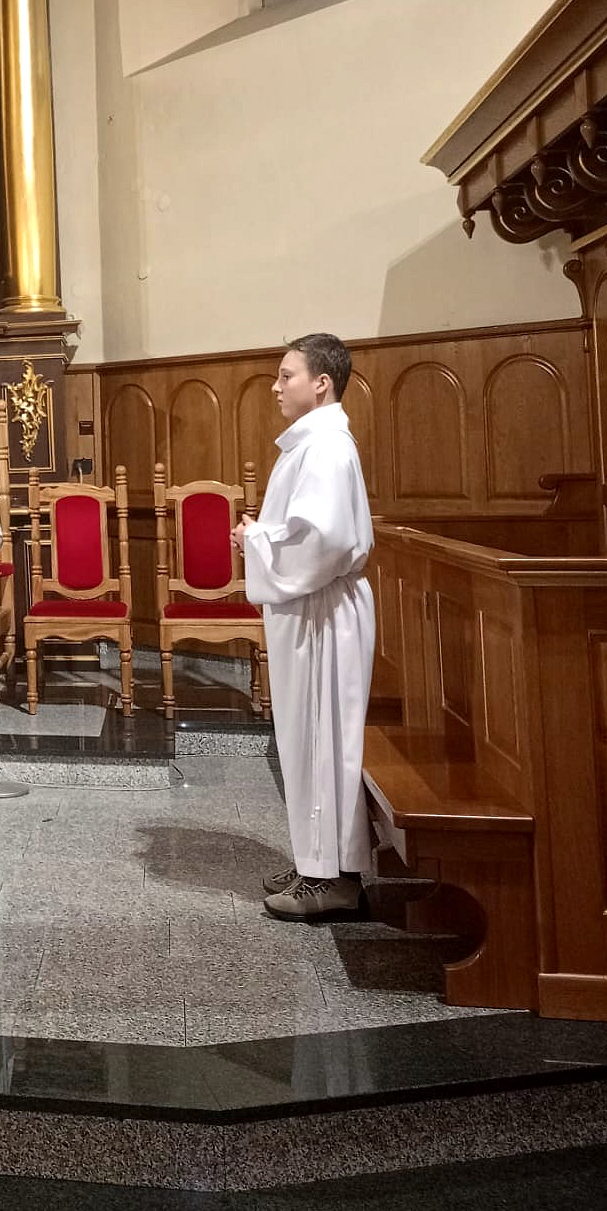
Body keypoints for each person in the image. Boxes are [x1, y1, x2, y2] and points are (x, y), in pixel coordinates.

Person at [233, 333, 375, 922]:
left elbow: (326, 542)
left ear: (322, 383)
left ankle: (333, 880)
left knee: (323, 739)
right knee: (308, 738)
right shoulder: (310, 443)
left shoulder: (327, 448)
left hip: (322, 612)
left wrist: (256, 540)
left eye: (286, 376)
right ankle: (317, 861)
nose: (275, 386)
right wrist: (263, 539)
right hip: (311, 608)